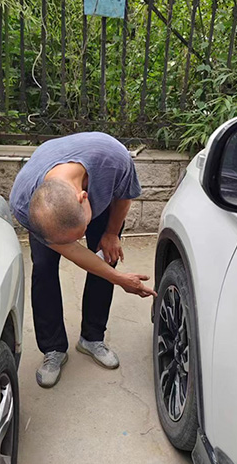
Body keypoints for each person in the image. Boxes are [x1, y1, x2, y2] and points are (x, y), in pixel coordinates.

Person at [9, 131, 156, 388]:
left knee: (106, 256)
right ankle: (53, 348)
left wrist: (111, 233)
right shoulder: (24, 204)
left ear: (85, 197)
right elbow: (76, 254)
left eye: (79, 232)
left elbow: (124, 195)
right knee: (43, 268)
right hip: (47, 206)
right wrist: (121, 279)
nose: (76, 241)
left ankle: (92, 338)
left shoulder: (115, 160)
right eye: (67, 239)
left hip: (99, 186)